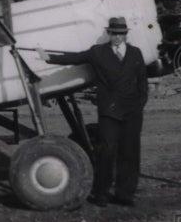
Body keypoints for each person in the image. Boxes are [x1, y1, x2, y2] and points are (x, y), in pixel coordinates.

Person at [37, 17, 148, 207]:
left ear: (125, 35)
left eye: (121, 33)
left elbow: (142, 83)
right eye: (113, 33)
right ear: (109, 34)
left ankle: (125, 194)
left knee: (130, 152)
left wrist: (139, 105)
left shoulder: (136, 53)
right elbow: (75, 57)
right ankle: (101, 193)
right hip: (109, 111)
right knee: (107, 151)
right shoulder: (98, 52)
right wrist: (48, 57)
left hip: (132, 112)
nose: (117, 37)